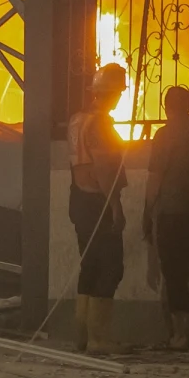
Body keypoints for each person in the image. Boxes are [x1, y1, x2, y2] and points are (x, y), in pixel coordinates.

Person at [66, 62, 129, 354]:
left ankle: (82, 335)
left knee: (89, 265)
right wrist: (115, 206)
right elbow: (104, 169)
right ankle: (98, 339)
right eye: (119, 93)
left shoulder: (76, 120)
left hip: (78, 200)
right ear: (112, 94)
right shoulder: (101, 124)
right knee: (111, 267)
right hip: (98, 202)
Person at [143, 86, 189, 350]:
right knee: (182, 268)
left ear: (166, 108)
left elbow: (155, 178)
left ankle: (180, 334)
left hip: (172, 211)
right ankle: (183, 332)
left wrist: (147, 212)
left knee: (173, 273)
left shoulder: (164, 135)